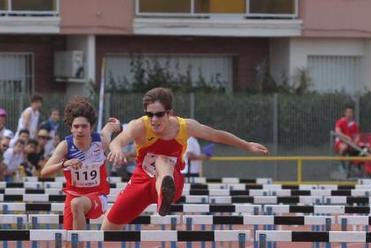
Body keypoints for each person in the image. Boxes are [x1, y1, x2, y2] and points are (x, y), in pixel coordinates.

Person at [105, 87, 268, 230]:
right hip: (142, 179)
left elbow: (216, 135)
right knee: (108, 227)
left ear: (170, 113)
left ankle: (164, 196)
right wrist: (117, 150)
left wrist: (246, 145)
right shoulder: (139, 126)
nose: (154, 120)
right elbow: (118, 141)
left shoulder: (185, 127)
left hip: (172, 180)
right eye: (150, 115)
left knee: (162, 159)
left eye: (159, 115)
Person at [40, 97, 120, 231]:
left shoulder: (101, 141)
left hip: (97, 195)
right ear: (70, 128)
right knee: (68, 245)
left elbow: (110, 128)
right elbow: (44, 172)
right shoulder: (65, 146)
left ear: (91, 127)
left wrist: (117, 124)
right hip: (73, 195)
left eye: (84, 126)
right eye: (76, 126)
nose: (80, 130)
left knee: (77, 204)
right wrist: (65, 163)